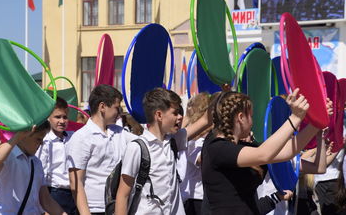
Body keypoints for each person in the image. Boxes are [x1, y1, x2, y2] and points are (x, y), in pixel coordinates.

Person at [201, 89, 329, 215]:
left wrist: (317, 122)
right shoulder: (216, 148)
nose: (253, 122)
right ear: (241, 117)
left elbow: (288, 151)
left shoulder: (240, 147)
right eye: (251, 116)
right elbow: (264, 154)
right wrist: (295, 118)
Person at [115, 88, 211, 215]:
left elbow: (205, 120)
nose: (180, 117)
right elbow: (122, 195)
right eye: (175, 113)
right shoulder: (137, 148)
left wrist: (223, 91)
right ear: (159, 115)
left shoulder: (173, 141)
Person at [66, 84, 136, 215]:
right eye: (117, 107)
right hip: (94, 209)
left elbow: (145, 142)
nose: (120, 112)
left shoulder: (119, 132)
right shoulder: (82, 137)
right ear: (102, 107)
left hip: (118, 207)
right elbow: (76, 182)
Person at [0, 122, 67, 215]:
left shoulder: (36, 162)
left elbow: (46, 200)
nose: (41, 143)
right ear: (24, 136)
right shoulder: (8, 156)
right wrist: (16, 137)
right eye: (38, 139)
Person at [36, 97, 77, 215]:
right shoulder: (45, 141)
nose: (62, 121)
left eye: (65, 117)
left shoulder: (72, 137)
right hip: (54, 192)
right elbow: (40, 171)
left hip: (73, 193)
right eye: (57, 117)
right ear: (48, 118)